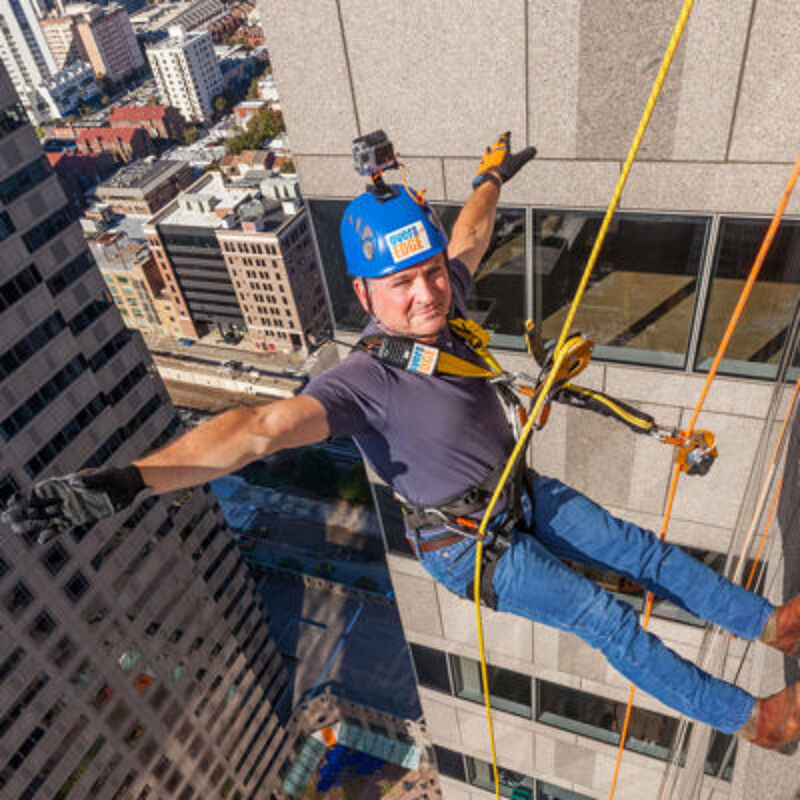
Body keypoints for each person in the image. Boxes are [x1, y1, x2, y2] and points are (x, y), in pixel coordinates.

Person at [3, 133, 800, 752]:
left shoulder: (440, 302)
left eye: (429, 274)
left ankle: (771, 624)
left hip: (515, 492)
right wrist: (126, 482)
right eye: (402, 284)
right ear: (364, 294)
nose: (425, 293)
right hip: (472, 545)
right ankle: (755, 719)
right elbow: (257, 432)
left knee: (645, 554)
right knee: (607, 619)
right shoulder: (361, 383)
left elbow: (471, 237)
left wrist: (492, 176)